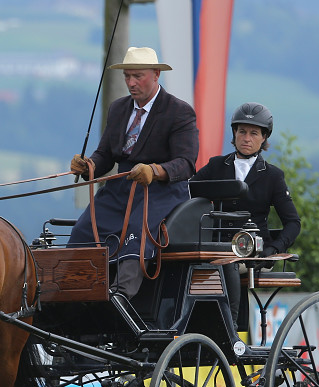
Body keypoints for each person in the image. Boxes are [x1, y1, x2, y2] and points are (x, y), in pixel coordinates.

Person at [69, 46, 198, 298]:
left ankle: (121, 296)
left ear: (156, 75)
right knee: (83, 228)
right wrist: (89, 166)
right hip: (122, 187)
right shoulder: (118, 108)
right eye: (127, 76)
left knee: (136, 230)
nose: (131, 82)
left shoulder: (179, 111)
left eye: (137, 76)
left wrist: (155, 170)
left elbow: (186, 163)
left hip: (163, 191)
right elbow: (105, 154)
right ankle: (74, 290)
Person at [190, 102, 301, 329]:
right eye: (242, 131)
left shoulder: (272, 176)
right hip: (215, 245)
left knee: (227, 262)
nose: (246, 138)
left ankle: (230, 327)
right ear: (234, 133)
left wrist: (274, 249)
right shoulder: (216, 166)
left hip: (253, 250)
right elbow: (188, 192)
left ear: (263, 138)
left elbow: (293, 223)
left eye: (253, 133)